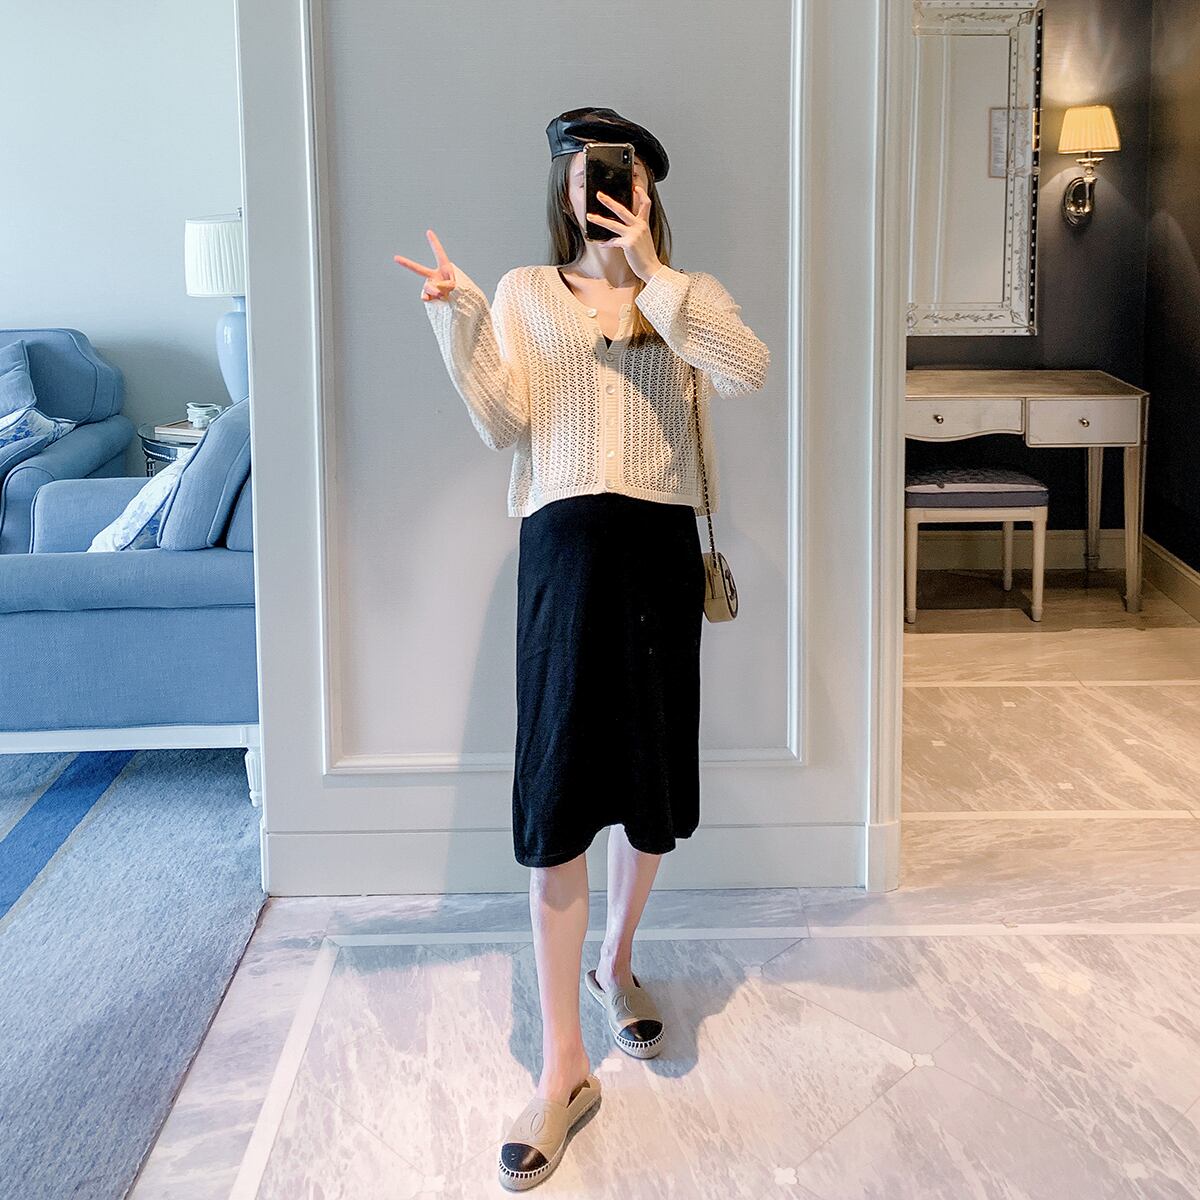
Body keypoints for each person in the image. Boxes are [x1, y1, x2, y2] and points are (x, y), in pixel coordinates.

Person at [394, 106, 770, 1191]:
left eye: (619, 173)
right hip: (561, 553)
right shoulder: (524, 291)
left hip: (657, 553)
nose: (597, 187)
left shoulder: (684, 297)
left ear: (646, 189)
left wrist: (651, 272)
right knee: (560, 789)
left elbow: (746, 370)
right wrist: (460, 319)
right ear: (561, 188)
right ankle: (564, 1066)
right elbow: (505, 424)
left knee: (646, 780)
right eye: (582, 171)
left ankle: (617, 962)